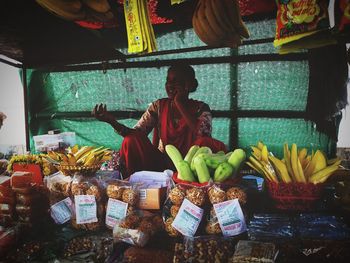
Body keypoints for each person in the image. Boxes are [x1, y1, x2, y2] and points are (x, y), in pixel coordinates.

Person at [92, 63, 226, 177]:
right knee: (131, 140)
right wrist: (112, 122)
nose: (170, 85)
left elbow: (204, 137)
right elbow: (136, 133)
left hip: (194, 167)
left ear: (188, 85)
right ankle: (134, 183)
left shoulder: (201, 108)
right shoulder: (159, 106)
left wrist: (179, 103)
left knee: (205, 142)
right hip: (161, 165)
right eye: (168, 81)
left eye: (176, 81)